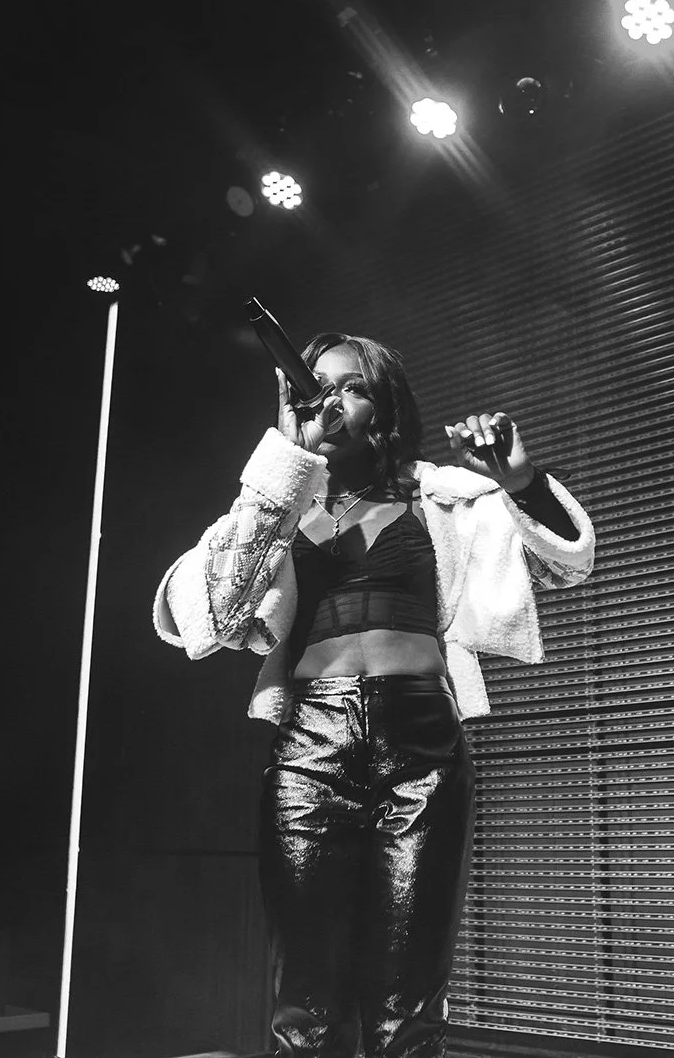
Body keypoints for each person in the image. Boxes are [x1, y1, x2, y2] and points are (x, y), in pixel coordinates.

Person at [154, 333, 594, 1058]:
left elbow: (566, 566)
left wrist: (518, 482)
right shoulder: (277, 505)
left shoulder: (443, 495)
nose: (328, 402)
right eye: (314, 387)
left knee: (406, 1007)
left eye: (350, 387)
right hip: (310, 745)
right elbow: (217, 617)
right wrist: (284, 466)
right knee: (309, 1007)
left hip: (421, 743)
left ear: (384, 409)